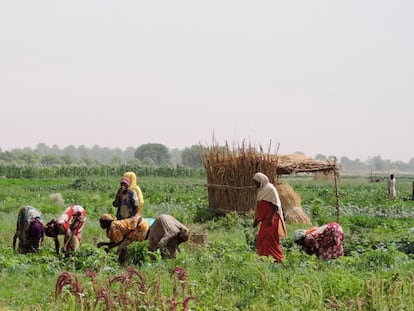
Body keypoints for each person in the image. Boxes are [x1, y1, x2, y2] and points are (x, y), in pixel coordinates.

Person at [252, 172, 287, 263]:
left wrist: (271, 218)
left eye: (256, 182)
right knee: (262, 238)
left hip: (272, 219)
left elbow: (275, 205)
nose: (255, 184)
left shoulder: (270, 189)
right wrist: (257, 219)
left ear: (261, 180)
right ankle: (266, 257)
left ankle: (277, 258)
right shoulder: (262, 190)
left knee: (270, 239)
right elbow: (261, 207)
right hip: (265, 220)